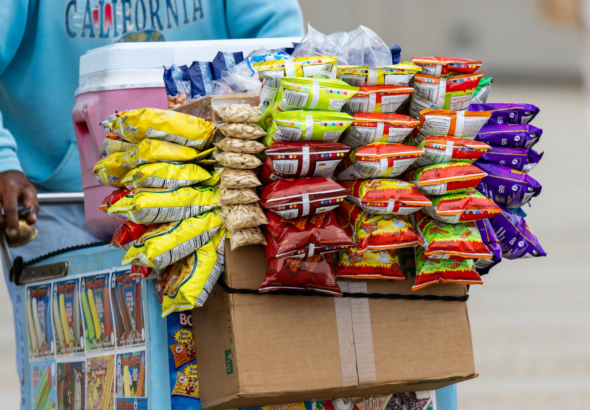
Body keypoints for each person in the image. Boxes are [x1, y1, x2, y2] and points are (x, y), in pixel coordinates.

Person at [0, 1, 303, 407]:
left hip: (207, 185)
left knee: (216, 370)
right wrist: (4, 162)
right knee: (74, 379)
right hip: (59, 199)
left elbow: (280, 40)